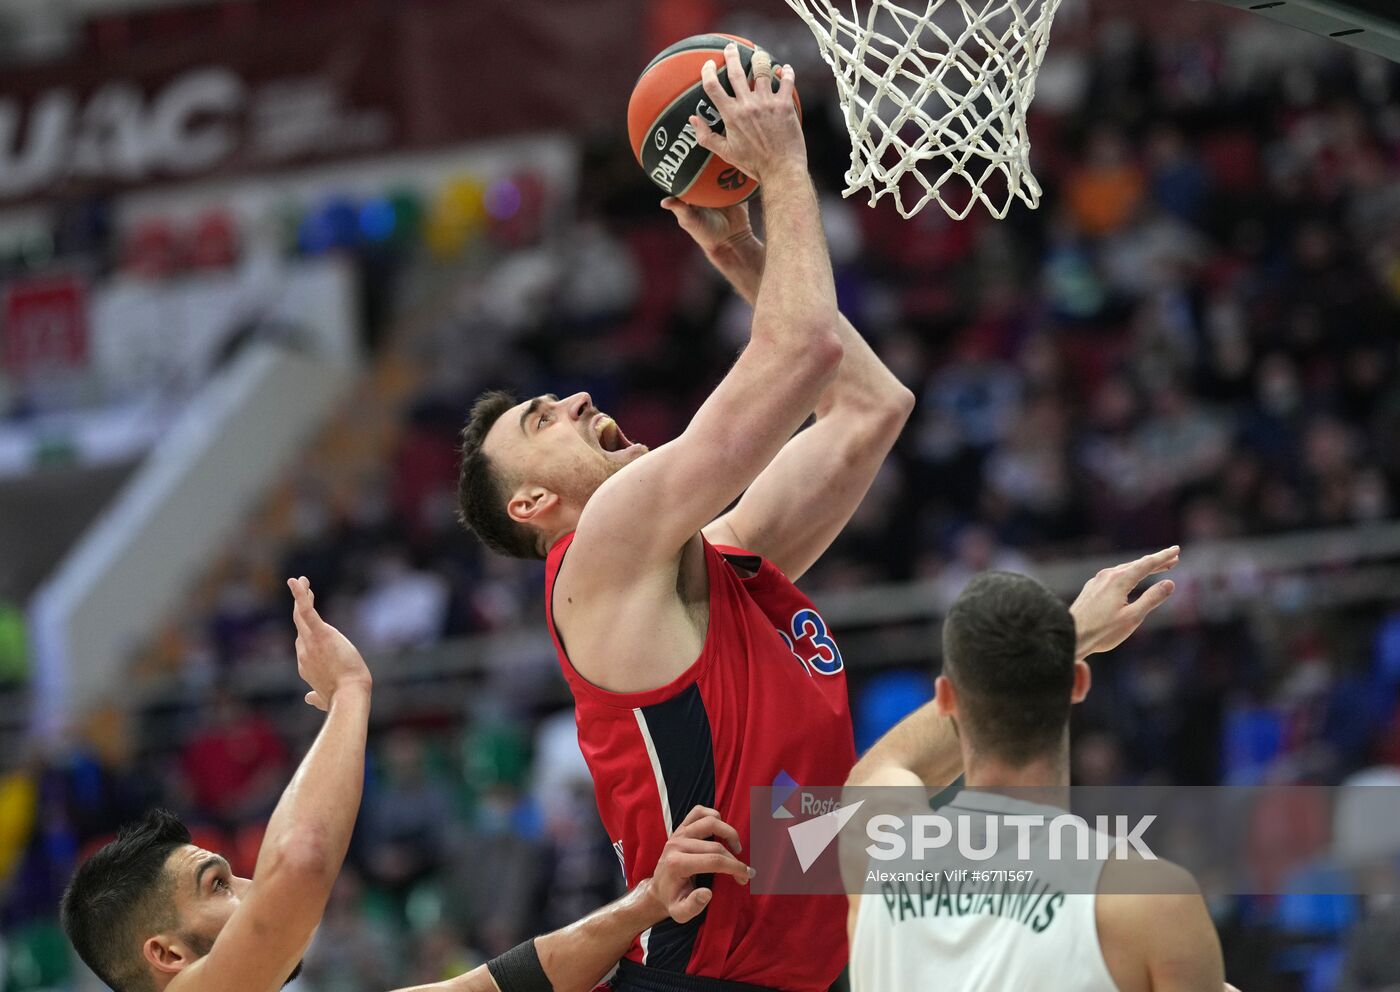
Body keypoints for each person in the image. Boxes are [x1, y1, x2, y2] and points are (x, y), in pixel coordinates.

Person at [455, 43, 914, 992]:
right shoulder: (595, 550)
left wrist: (739, 252)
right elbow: (801, 352)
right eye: (543, 421)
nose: (577, 399)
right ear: (534, 504)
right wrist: (785, 166)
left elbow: (870, 408)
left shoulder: (729, 561)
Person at [59, 578, 752, 992]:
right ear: (167, 956)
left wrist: (644, 903)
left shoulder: (679, 554)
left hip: (745, 858)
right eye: (220, 884)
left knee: (830, 850)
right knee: (825, 854)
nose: (250, 885)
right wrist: (350, 692)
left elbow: (501, 983)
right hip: (754, 867)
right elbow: (297, 866)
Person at [846, 548, 1234, 992]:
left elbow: (884, 764)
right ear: (1078, 683)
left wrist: (1074, 636)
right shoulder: (1152, 900)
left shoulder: (874, 844)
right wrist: (1059, 649)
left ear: (946, 697)